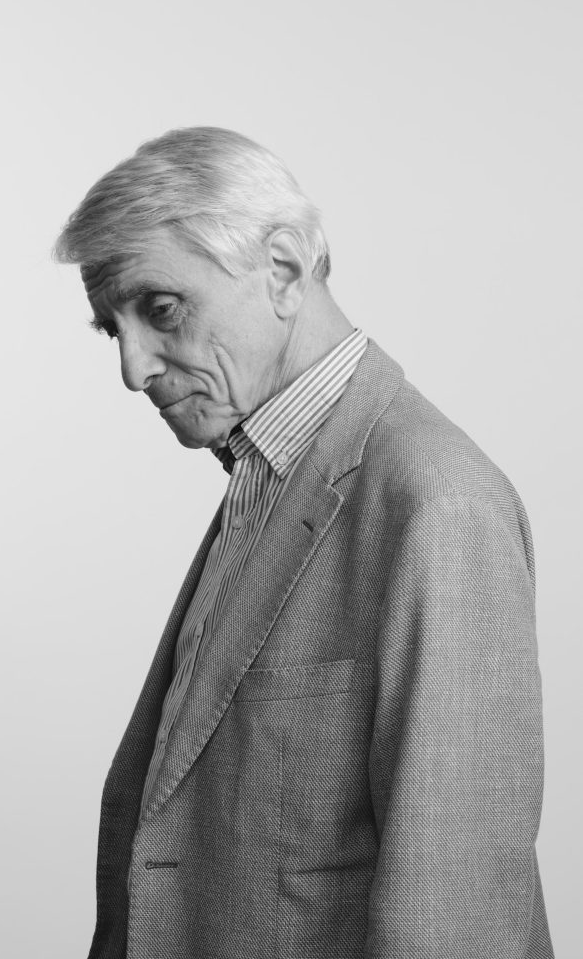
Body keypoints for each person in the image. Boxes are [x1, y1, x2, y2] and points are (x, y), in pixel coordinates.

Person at [54, 127, 553, 959]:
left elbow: (457, 907)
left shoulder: (438, 502)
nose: (134, 369)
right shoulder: (267, 471)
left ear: (283, 269)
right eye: (114, 330)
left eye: (161, 310)